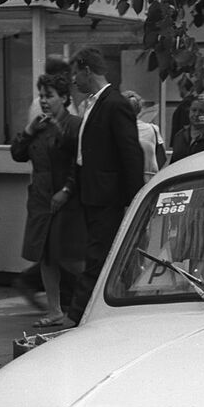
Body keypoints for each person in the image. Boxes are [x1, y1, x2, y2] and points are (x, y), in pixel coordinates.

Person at [61, 46, 145, 325]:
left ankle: (76, 316)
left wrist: (135, 200)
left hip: (106, 196)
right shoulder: (94, 104)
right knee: (101, 253)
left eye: (76, 73)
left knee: (97, 256)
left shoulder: (115, 104)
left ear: (87, 70)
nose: (74, 80)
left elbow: (130, 154)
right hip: (92, 194)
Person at [10, 71, 86, 327]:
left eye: (49, 96)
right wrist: (30, 129)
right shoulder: (39, 125)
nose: (43, 100)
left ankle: (91, 304)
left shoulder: (74, 125)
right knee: (47, 257)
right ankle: (54, 310)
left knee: (71, 257)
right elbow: (18, 154)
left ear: (64, 97)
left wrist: (66, 190)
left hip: (66, 200)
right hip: (41, 199)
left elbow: (80, 163)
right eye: (41, 95)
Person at [122, 91, 166, 182]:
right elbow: (162, 159)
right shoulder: (153, 129)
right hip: (150, 181)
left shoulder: (118, 130)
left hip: (126, 180)